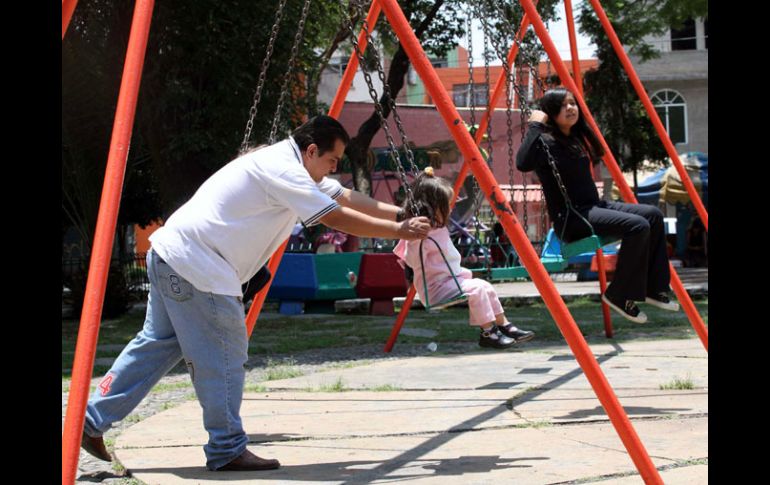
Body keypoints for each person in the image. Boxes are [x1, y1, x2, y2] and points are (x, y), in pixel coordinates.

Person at [79, 115, 432, 472]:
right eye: (332, 161)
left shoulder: (288, 164)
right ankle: (227, 448)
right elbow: (335, 216)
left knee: (157, 344)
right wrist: (399, 231)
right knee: (224, 355)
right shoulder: (285, 171)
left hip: (173, 254)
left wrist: (401, 214)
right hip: (199, 267)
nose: (333, 169)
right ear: (311, 151)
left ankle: (90, 421)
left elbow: (345, 196)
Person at [516, 87, 679, 324]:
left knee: (653, 215)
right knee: (638, 226)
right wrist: (535, 125)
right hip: (572, 219)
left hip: (593, 207)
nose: (570, 108)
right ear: (550, 112)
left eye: (572, 103)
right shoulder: (544, 142)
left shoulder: (574, 139)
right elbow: (522, 163)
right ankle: (618, 294)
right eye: (563, 105)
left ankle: (653, 288)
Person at [393, 167, 535, 349]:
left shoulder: (438, 228)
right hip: (436, 289)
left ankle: (504, 325)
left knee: (485, 286)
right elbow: (412, 260)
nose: (451, 209)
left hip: (450, 282)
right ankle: (488, 333)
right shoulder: (420, 234)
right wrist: (415, 241)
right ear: (431, 208)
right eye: (446, 206)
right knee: (477, 289)